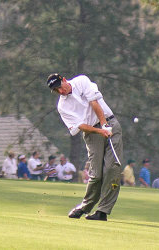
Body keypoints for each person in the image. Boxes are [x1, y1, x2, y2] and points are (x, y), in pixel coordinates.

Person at [47, 73, 123, 221]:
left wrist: (104, 124)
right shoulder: (62, 106)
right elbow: (80, 126)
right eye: (56, 91)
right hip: (92, 132)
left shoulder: (81, 81)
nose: (60, 92)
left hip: (110, 124)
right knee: (96, 174)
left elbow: (94, 102)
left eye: (60, 87)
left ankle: (102, 211)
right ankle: (85, 207)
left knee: (112, 169)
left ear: (64, 79)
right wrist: (100, 130)